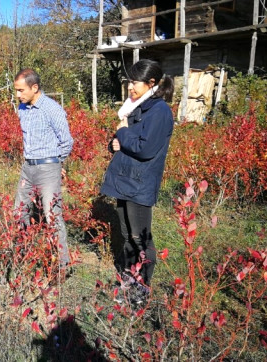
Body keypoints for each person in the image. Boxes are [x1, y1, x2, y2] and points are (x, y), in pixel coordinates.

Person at [100, 59, 174, 303]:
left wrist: (121, 133)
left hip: (140, 182)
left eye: (134, 82)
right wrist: (114, 143)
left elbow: (145, 148)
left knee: (141, 236)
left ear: (151, 83)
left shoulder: (159, 111)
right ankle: (128, 279)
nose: (130, 87)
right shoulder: (135, 107)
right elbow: (125, 140)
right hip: (125, 179)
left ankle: (142, 287)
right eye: (128, 81)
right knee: (126, 232)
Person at [13, 68, 74, 268]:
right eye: (16, 90)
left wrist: (56, 164)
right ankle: (20, 257)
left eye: (21, 90)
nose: (18, 95)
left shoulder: (52, 109)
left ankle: (62, 265)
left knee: (52, 215)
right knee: (19, 212)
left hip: (48, 168)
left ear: (35, 88)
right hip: (27, 167)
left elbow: (66, 142)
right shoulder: (22, 109)